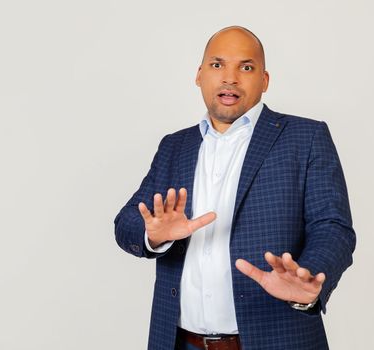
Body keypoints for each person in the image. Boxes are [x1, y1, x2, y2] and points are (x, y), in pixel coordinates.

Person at [114, 26, 356, 350]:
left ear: (265, 80)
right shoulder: (175, 147)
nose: (230, 78)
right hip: (180, 342)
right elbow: (127, 222)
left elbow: (333, 227)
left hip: (276, 340)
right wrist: (154, 235)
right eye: (217, 65)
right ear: (199, 75)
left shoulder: (305, 138)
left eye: (246, 67)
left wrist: (309, 275)